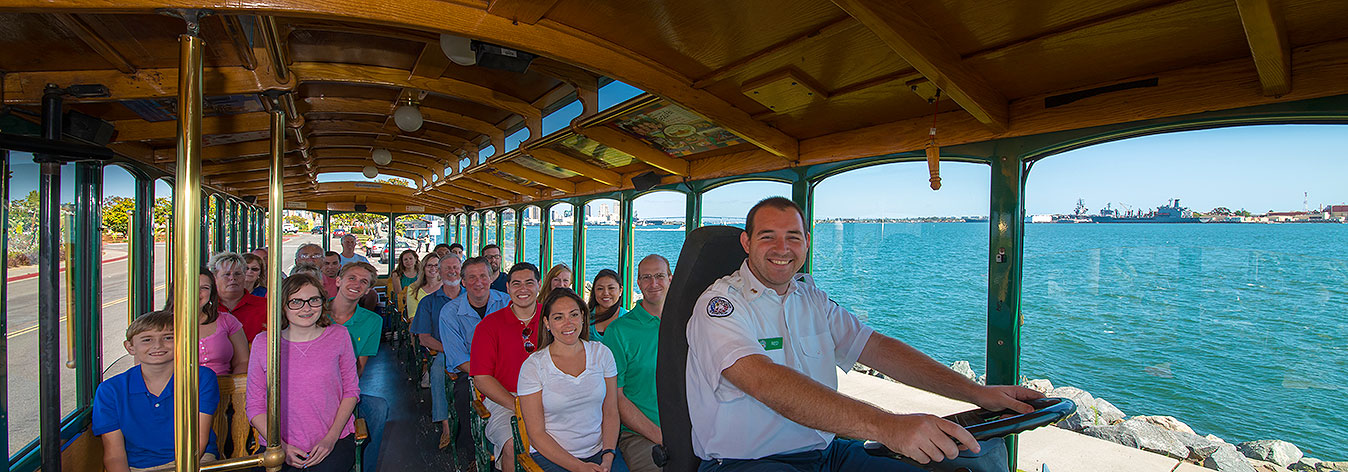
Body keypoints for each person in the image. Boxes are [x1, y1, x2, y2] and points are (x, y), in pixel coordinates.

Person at [686, 197, 1042, 471]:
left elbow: (875, 348)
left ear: (807, 242)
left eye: (793, 237)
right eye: (768, 237)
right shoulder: (719, 306)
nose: (782, 249)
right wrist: (887, 426)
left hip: (826, 453)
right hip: (746, 463)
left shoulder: (810, 297)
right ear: (747, 243)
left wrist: (976, 392)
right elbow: (767, 383)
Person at [247, 274, 360, 472]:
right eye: (296, 302)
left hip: (332, 439)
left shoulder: (339, 336)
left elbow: (351, 391)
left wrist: (330, 440)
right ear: (282, 305)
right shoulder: (263, 343)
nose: (306, 308)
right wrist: (280, 446)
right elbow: (255, 406)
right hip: (278, 443)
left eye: (313, 300)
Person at [94, 310, 219, 472]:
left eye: (168, 337)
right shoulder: (110, 390)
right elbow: (114, 455)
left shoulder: (201, 378)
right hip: (137, 466)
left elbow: (197, 442)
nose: (158, 345)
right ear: (130, 347)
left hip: (195, 460)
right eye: (147, 340)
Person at [519, 288, 627, 472]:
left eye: (574, 315)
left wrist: (608, 456)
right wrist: (579, 467)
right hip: (552, 456)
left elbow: (610, 411)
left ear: (583, 318)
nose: (568, 323)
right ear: (547, 323)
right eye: (559, 317)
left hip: (600, 452)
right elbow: (536, 434)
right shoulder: (534, 367)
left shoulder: (601, 354)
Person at [437, 256, 509, 468]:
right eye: (472, 278)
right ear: (463, 282)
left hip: (505, 369)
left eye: (483, 277)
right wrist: (489, 377)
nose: (478, 282)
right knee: (464, 396)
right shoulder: (450, 312)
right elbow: (459, 359)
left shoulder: (506, 303)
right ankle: (474, 456)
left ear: (490, 278)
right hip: (469, 372)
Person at [470, 262, 542, 472]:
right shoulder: (489, 326)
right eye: (516, 284)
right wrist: (518, 405)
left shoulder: (552, 320)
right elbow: (482, 378)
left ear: (539, 285)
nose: (523, 289)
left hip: (548, 395)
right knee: (513, 444)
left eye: (529, 283)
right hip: (503, 399)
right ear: (508, 288)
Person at [600, 255, 670, 472]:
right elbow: (616, 397)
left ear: (670, 278)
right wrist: (660, 436)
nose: (653, 283)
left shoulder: (689, 322)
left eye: (659, 276)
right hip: (639, 434)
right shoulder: (619, 331)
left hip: (690, 429)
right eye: (646, 277)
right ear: (638, 283)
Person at [329, 261, 388, 472]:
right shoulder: (316, 310)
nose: (356, 284)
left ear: (367, 290)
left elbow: (359, 369)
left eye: (363, 282)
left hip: (344, 389)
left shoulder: (372, 321)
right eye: (351, 278)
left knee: (378, 408)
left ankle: (366, 466)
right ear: (338, 281)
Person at [410, 253, 465, 447]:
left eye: (455, 268)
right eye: (447, 268)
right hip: (444, 351)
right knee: (437, 371)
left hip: (472, 350)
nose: (452, 271)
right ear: (440, 272)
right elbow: (424, 338)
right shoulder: (429, 302)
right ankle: (446, 425)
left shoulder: (473, 298)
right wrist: (451, 350)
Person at [195, 267, 249, 375]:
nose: (197, 292)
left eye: (204, 288)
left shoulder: (227, 321)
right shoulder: (165, 325)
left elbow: (243, 361)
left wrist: (233, 388)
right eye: (191, 286)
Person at [211, 251, 268, 342]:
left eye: (237, 274)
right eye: (226, 274)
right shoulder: (207, 308)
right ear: (214, 278)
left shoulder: (265, 306)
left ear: (244, 276)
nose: (232, 278)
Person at [587, 269, 625, 342]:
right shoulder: (585, 316)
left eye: (611, 288)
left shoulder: (627, 318)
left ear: (620, 290)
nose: (606, 293)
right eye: (600, 289)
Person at [405, 253, 442, 324]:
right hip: (423, 328)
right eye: (429, 265)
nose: (433, 268)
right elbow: (413, 317)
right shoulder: (413, 288)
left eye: (436, 265)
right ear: (423, 268)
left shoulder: (447, 286)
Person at [387, 249, 419, 314]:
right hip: (403, 302)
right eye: (405, 259)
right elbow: (399, 293)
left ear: (415, 259)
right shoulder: (396, 274)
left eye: (410, 258)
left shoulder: (421, 273)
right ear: (402, 262)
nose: (408, 261)